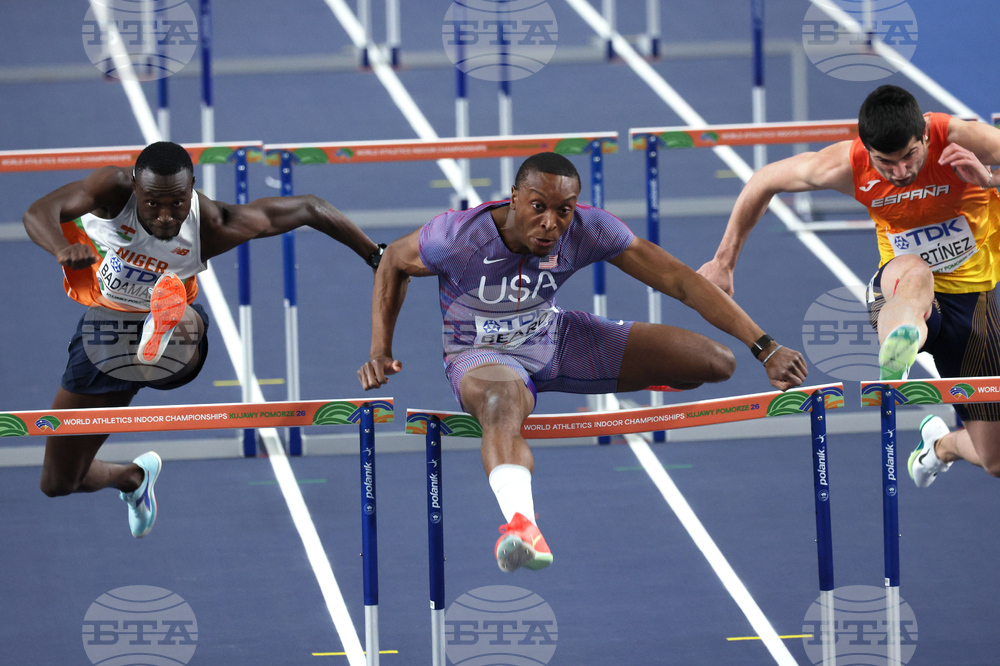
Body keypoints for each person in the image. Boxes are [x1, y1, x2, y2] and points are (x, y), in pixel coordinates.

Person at [357, 152, 807, 572]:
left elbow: (680, 281)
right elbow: (392, 260)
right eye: (537, 207)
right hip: (480, 356)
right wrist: (380, 349)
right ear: (513, 199)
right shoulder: (457, 238)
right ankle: (521, 526)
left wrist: (764, 346)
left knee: (714, 363)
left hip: (555, 338)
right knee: (501, 403)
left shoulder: (589, 229)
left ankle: (636, 376)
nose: (550, 224)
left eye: (563, 210)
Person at [24, 141, 384, 538]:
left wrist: (374, 257)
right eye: (153, 205)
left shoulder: (211, 223)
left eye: (177, 203)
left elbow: (308, 208)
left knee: (180, 330)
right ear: (134, 189)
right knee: (58, 482)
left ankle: (160, 327)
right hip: (104, 334)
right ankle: (134, 479)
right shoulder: (111, 190)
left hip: (179, 336)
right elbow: (39, 212)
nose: (165, 217)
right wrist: (60, 247)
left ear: (192, 187)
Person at [698, 85, 1000, 489]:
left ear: (925, 136)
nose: (900, 172)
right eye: (885, 163)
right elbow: (764, 180)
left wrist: (990, 180)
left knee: (994, 460)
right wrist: (723, 261)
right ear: (867, 150)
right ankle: (899, 349)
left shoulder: (960, 138)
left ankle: (938, 447)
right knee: (916, 272)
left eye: (909, 156)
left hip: (973, 303)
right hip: (899, 290)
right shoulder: (847, 164)